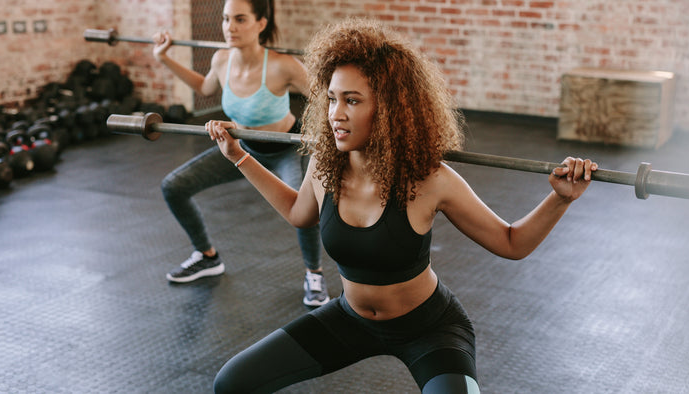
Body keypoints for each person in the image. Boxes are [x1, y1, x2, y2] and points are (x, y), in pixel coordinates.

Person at [207, 18, 598, 393]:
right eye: (331, 99)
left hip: (430, 328)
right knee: (232, 383)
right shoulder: (325, 167)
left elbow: (512, 243)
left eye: (352, 101)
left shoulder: (430, 179)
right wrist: (239, 156)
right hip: (351, 319)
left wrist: (559, 199)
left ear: (389, 109)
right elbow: (299, 214)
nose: (335, 114)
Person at [151, 0, 330, 307]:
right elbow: (205, 88)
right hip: (239, 147)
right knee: (174, 186)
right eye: (225, 19)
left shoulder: (282, 64)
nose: (229, 27)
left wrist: (325, 135)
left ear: (261, 23)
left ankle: (314, 273)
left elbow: (327, 95)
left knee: (304, 213)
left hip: (285, 148)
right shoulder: (222, 60)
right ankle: (207, 257)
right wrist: (163, 57)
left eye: (239, 19)